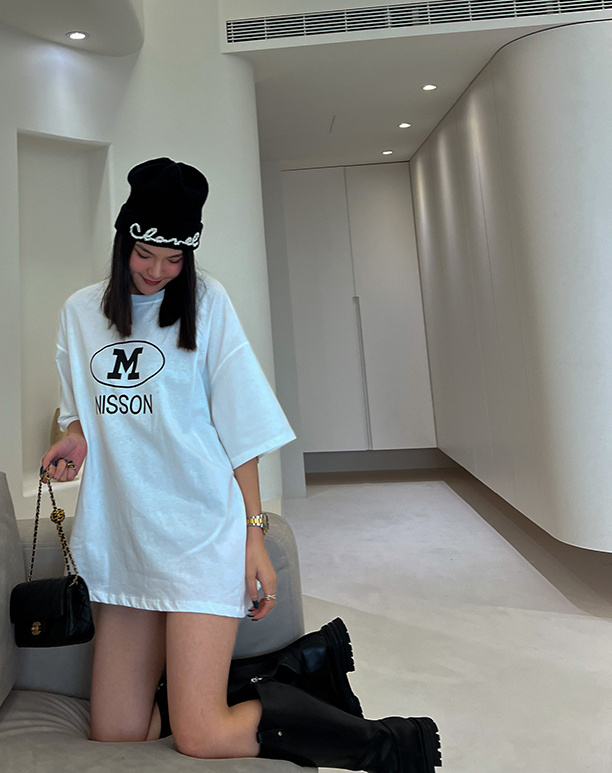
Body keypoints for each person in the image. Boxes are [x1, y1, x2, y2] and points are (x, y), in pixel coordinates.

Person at [40, 158, 442, 772]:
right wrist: (74, 439)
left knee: (200, 735)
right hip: (124, 538)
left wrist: (254, 533)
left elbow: (240, 429)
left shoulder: (208, 304)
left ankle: (385, 742)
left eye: (174, 259)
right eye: (145, 254)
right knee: (115, 733)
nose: (157, 271)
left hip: (200, 533)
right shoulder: (79, 313)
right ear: (123, 241)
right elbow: (80, 414)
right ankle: (282, 677)